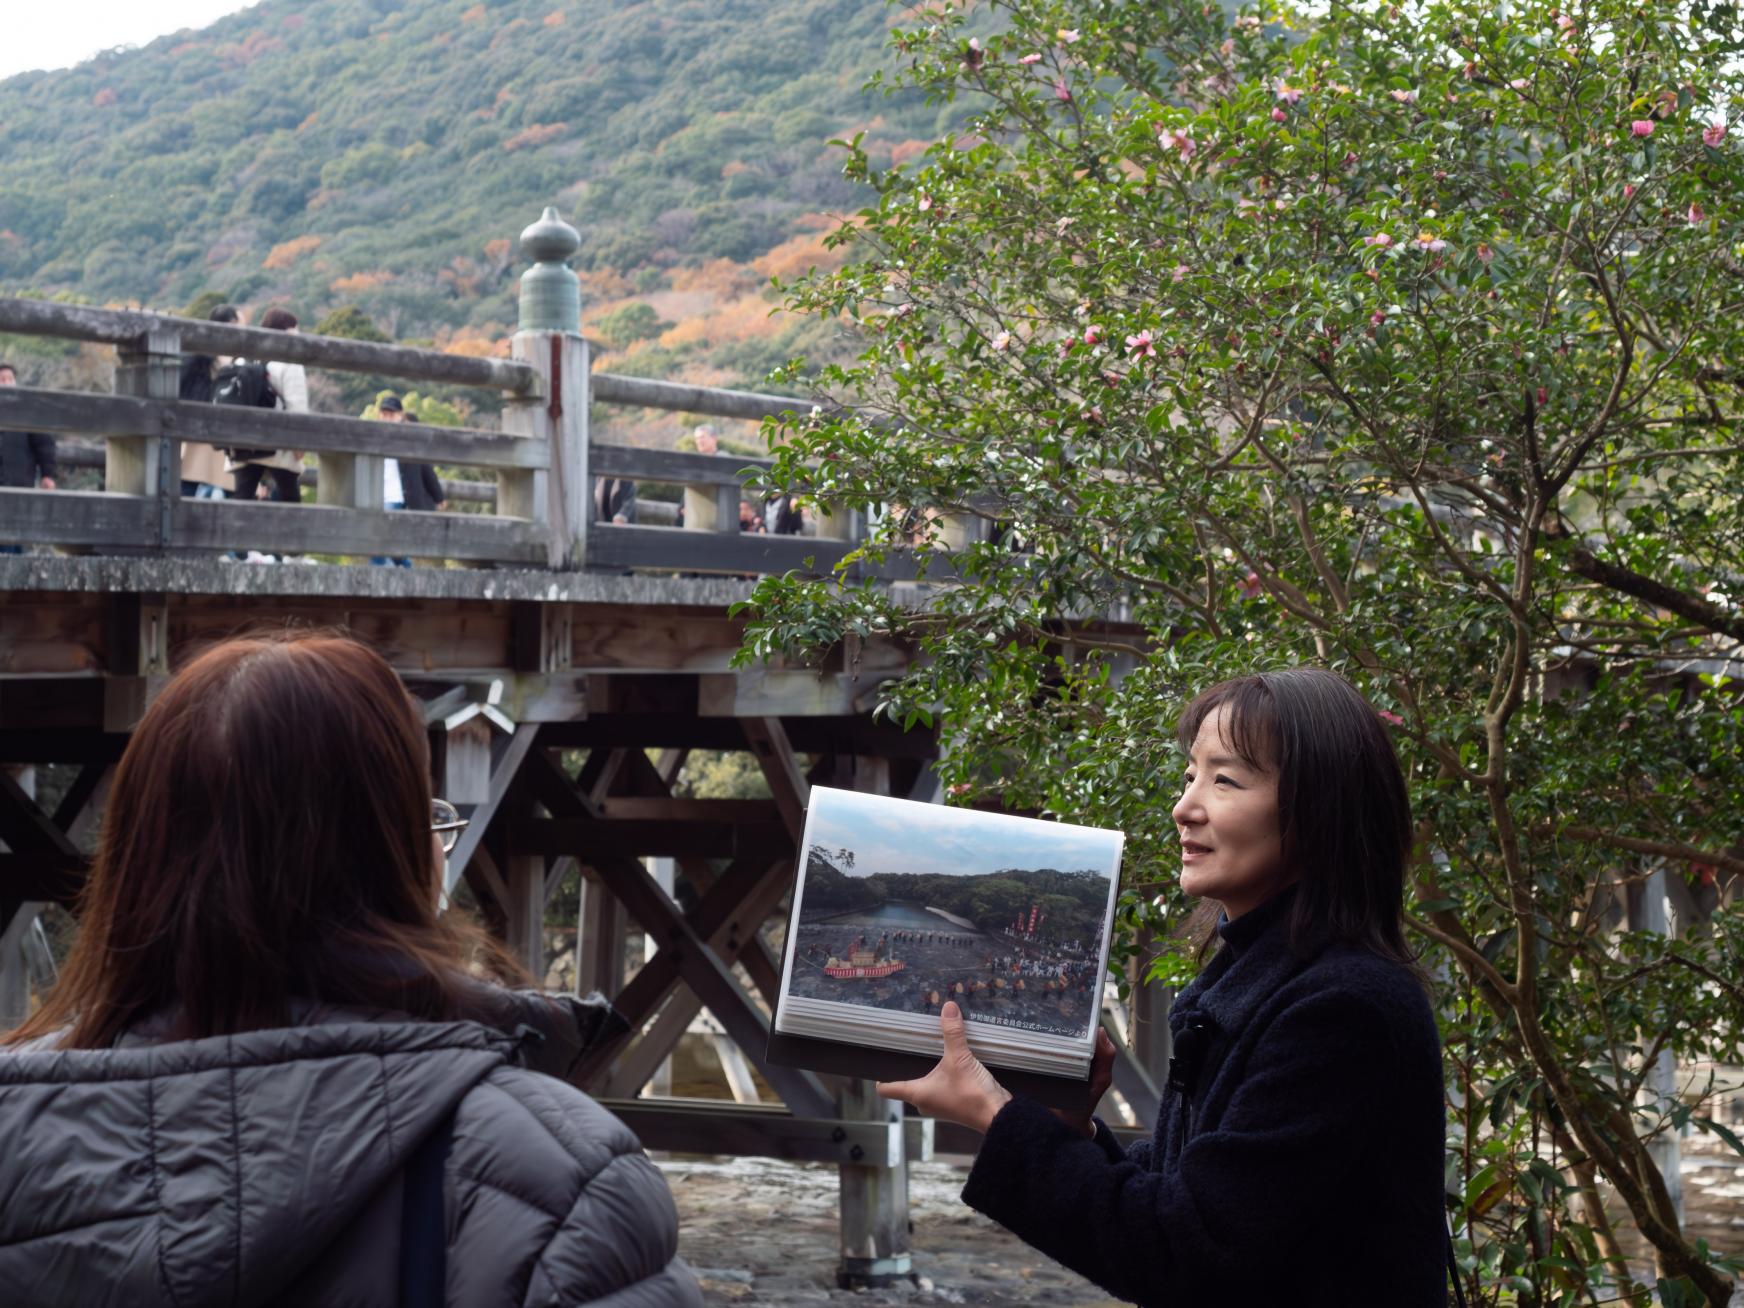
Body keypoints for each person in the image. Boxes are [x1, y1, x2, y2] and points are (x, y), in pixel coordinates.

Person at [0, 633, 701, 1307]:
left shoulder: (15, 1135)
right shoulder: (564, 1184)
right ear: (395, 859)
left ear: (132, 863)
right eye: (423, 817)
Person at [877, 668, 1451, 1307]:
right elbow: (1193, 1195)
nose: (1185, 807)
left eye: (1225, 779)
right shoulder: (1269, 973)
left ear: (1320, 809)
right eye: (1190, 776)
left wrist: (996, 1113)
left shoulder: (1344, 1009)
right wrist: (1068, 1127)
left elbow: (1192, 1253)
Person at [228, 306, 308, 507]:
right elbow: (297, 407)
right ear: (286, 332)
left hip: (243, 442)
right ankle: (285, 539)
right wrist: (299, 445)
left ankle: (234, 538)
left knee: (241, 502)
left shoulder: (242, 360)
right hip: (278, 444)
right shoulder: (290, 363)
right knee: (290, 501)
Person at [178, 304, 239, 499]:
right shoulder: (210, 356)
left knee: (188, 485)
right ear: (231, 324)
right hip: (211, 433)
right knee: (192, 482)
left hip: (207, 434)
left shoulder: (198, 353)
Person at [0, 362, 56, 555]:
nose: (6, 383)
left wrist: (48, 474)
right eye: (2, 379)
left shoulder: (26, 408)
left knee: (14, 532)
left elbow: (44, 443)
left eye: (10, 379)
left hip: (18, 480)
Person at [370, 394, 416, 567]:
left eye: (391, 413)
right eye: (384, 413)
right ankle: (404, 570)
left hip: (394, 496)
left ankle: (379, 576)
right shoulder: (372, 434)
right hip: (374, 496)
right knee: (383, 543)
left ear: (400, 415)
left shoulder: (407, 436)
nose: (387, 417)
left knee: (382, 541)